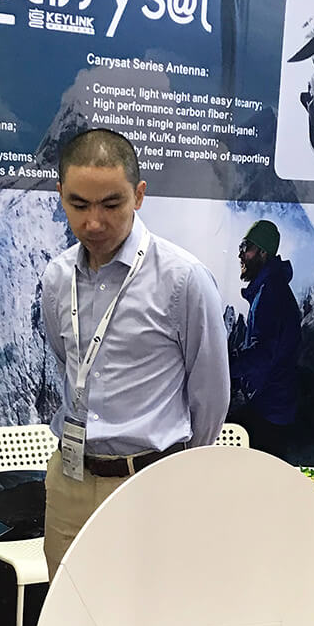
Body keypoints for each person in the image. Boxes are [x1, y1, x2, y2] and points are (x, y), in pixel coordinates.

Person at [40, 128, 230, 579]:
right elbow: (67, 361)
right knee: (68, 609)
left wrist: (174, 472)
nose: (94, 223)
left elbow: (211, 394)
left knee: (149, 612)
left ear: (139, 195)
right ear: (61, 195)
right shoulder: (57, 278)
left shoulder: (182, 280)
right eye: (79, 205)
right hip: (70, 481)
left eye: (111, 204)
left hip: (151, 484)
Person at [229, 219, 302, 461]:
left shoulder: (270, 293)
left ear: (263, 252)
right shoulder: (271, 288)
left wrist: (224, 366)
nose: (240, 254)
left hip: (269, 409)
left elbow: (262, 354)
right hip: (274, 407)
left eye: (245, 247)